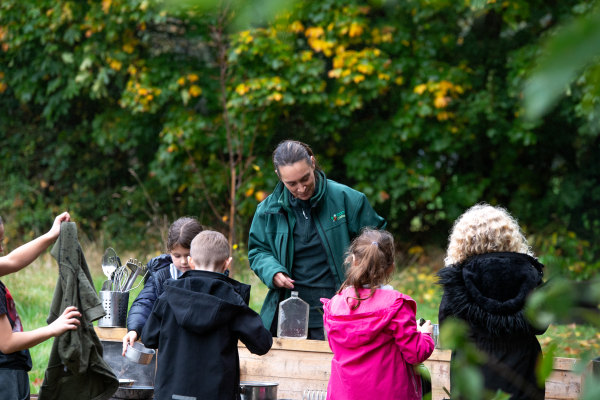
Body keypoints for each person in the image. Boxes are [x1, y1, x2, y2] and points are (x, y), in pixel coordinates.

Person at [248, 140, 386, 339]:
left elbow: (378, 243)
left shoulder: (348, 199)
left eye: (305, 179)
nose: (301, 188)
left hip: (344, 309)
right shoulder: (267, 211)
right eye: (292, 184)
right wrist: (272, 271)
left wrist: (360, 276)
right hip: (290, 312)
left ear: (312, 163)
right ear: (279, 176)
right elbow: (258, 251)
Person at [141, 230, 273, 400]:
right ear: (227, 264)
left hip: (170, 394)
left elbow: (149, 338)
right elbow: (262, 344)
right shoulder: (233, 301)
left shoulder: (168, 297)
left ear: (191, 261)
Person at [437, 203, 547, 400]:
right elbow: (541, 325)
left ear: (462, 240)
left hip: (473, 372)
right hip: (523, 371)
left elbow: (447, 331)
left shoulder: (458, 279)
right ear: (509, 236)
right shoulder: (529, 272)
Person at [321, 228, 434, 400]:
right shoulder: (396, 305)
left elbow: (337, 347)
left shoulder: (335, 305)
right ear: (391, 268)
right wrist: (425, 335)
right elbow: (416, 353)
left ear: (352, 260)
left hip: (343, 394)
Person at [0, 213, 81, 400]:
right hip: (5, 381)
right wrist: (52, 329)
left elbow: (13, 261)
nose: (2, 249)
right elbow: (6, 343)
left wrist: (51, 235)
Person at [122, 216, 203, 354]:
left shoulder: (209, 276)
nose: (183, 261)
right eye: (177, 256)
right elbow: (144, 303)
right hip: (167, 346)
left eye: (189, 255)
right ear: (169, 251)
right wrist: (134, 329)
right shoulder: (161, 276)